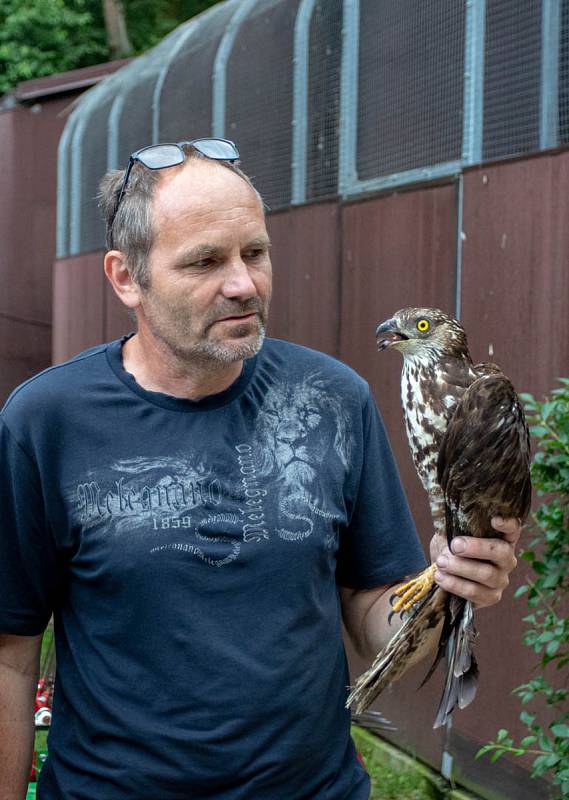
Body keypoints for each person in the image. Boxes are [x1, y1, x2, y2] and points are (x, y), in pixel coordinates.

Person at [0, 139, 520, 800]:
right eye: (205, 261)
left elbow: (369, 613)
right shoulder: (47, 420)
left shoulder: (334, 398)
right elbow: (9, 655)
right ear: (126, 277)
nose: (244, 283)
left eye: (255, 251)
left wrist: (450, 585)